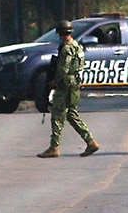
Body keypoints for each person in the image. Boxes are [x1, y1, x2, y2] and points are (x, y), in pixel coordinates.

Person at [38, 20, 100, 158]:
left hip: (65, 85)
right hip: (74, 84)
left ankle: (54, 147)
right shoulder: (77, 46)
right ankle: (90, 142)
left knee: (57, 115)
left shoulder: (66, 49)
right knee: (72, 114)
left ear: (60, 34)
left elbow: (63, 69)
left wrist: (54, 82)